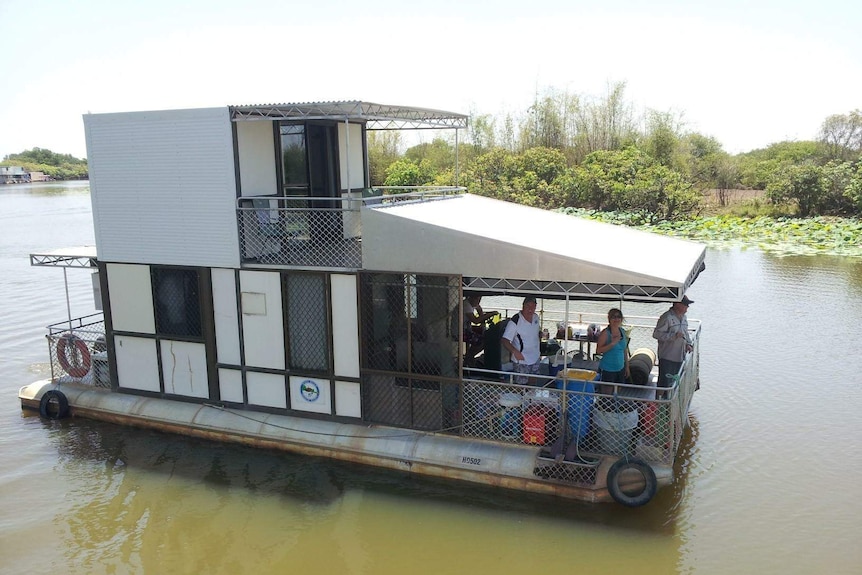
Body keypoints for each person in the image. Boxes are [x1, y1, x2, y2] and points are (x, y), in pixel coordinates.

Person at [652, 295, 694, 389]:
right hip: (667, 357)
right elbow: (656, 334)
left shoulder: (684, 317)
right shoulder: (666, 317)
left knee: (675, 382)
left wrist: (689, 344)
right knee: (664, 383)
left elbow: (685, 333)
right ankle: (659, 401)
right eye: (686, 305)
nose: (687, 307)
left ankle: (670, 402)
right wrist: (673, 336)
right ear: (677, 304)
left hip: (680, 356)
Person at [501, 296, 541, 385]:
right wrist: (515, 352)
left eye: (533, 306)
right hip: (521, 360)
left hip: (535, 357)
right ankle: (520, 398)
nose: (530, 309)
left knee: (533, 383)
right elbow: (505, 340)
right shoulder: (515, 321)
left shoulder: (536, 318)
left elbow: (535, 333)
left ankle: (530, 398)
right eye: (528, 306)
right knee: (521, 386)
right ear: (523, 306)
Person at [595, 308, 630, 395]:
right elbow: (598, 351)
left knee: (616, 394)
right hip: (608, 369)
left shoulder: (622, 332)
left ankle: (614, 408)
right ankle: (603, 408)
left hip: (620, 368)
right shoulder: (605, 333)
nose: (616, 319)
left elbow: (624, 350)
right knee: (606, 396)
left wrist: (627, 367)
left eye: (618, 317)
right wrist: (612, 343)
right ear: (609, 319)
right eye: (613, 317)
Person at [462, 295, 496, 364]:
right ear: (471, 297)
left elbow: (479, 310)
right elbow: (475, 321)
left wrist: (483, 322)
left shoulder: (472, 303)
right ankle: (469, 357)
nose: (478, 301)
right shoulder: (466, 305)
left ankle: (469, 356)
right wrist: (490, 314)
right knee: (482, 341)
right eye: (477, 299)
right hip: (460, 332)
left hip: (467, 329)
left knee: (485, 334)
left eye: (480, 299)